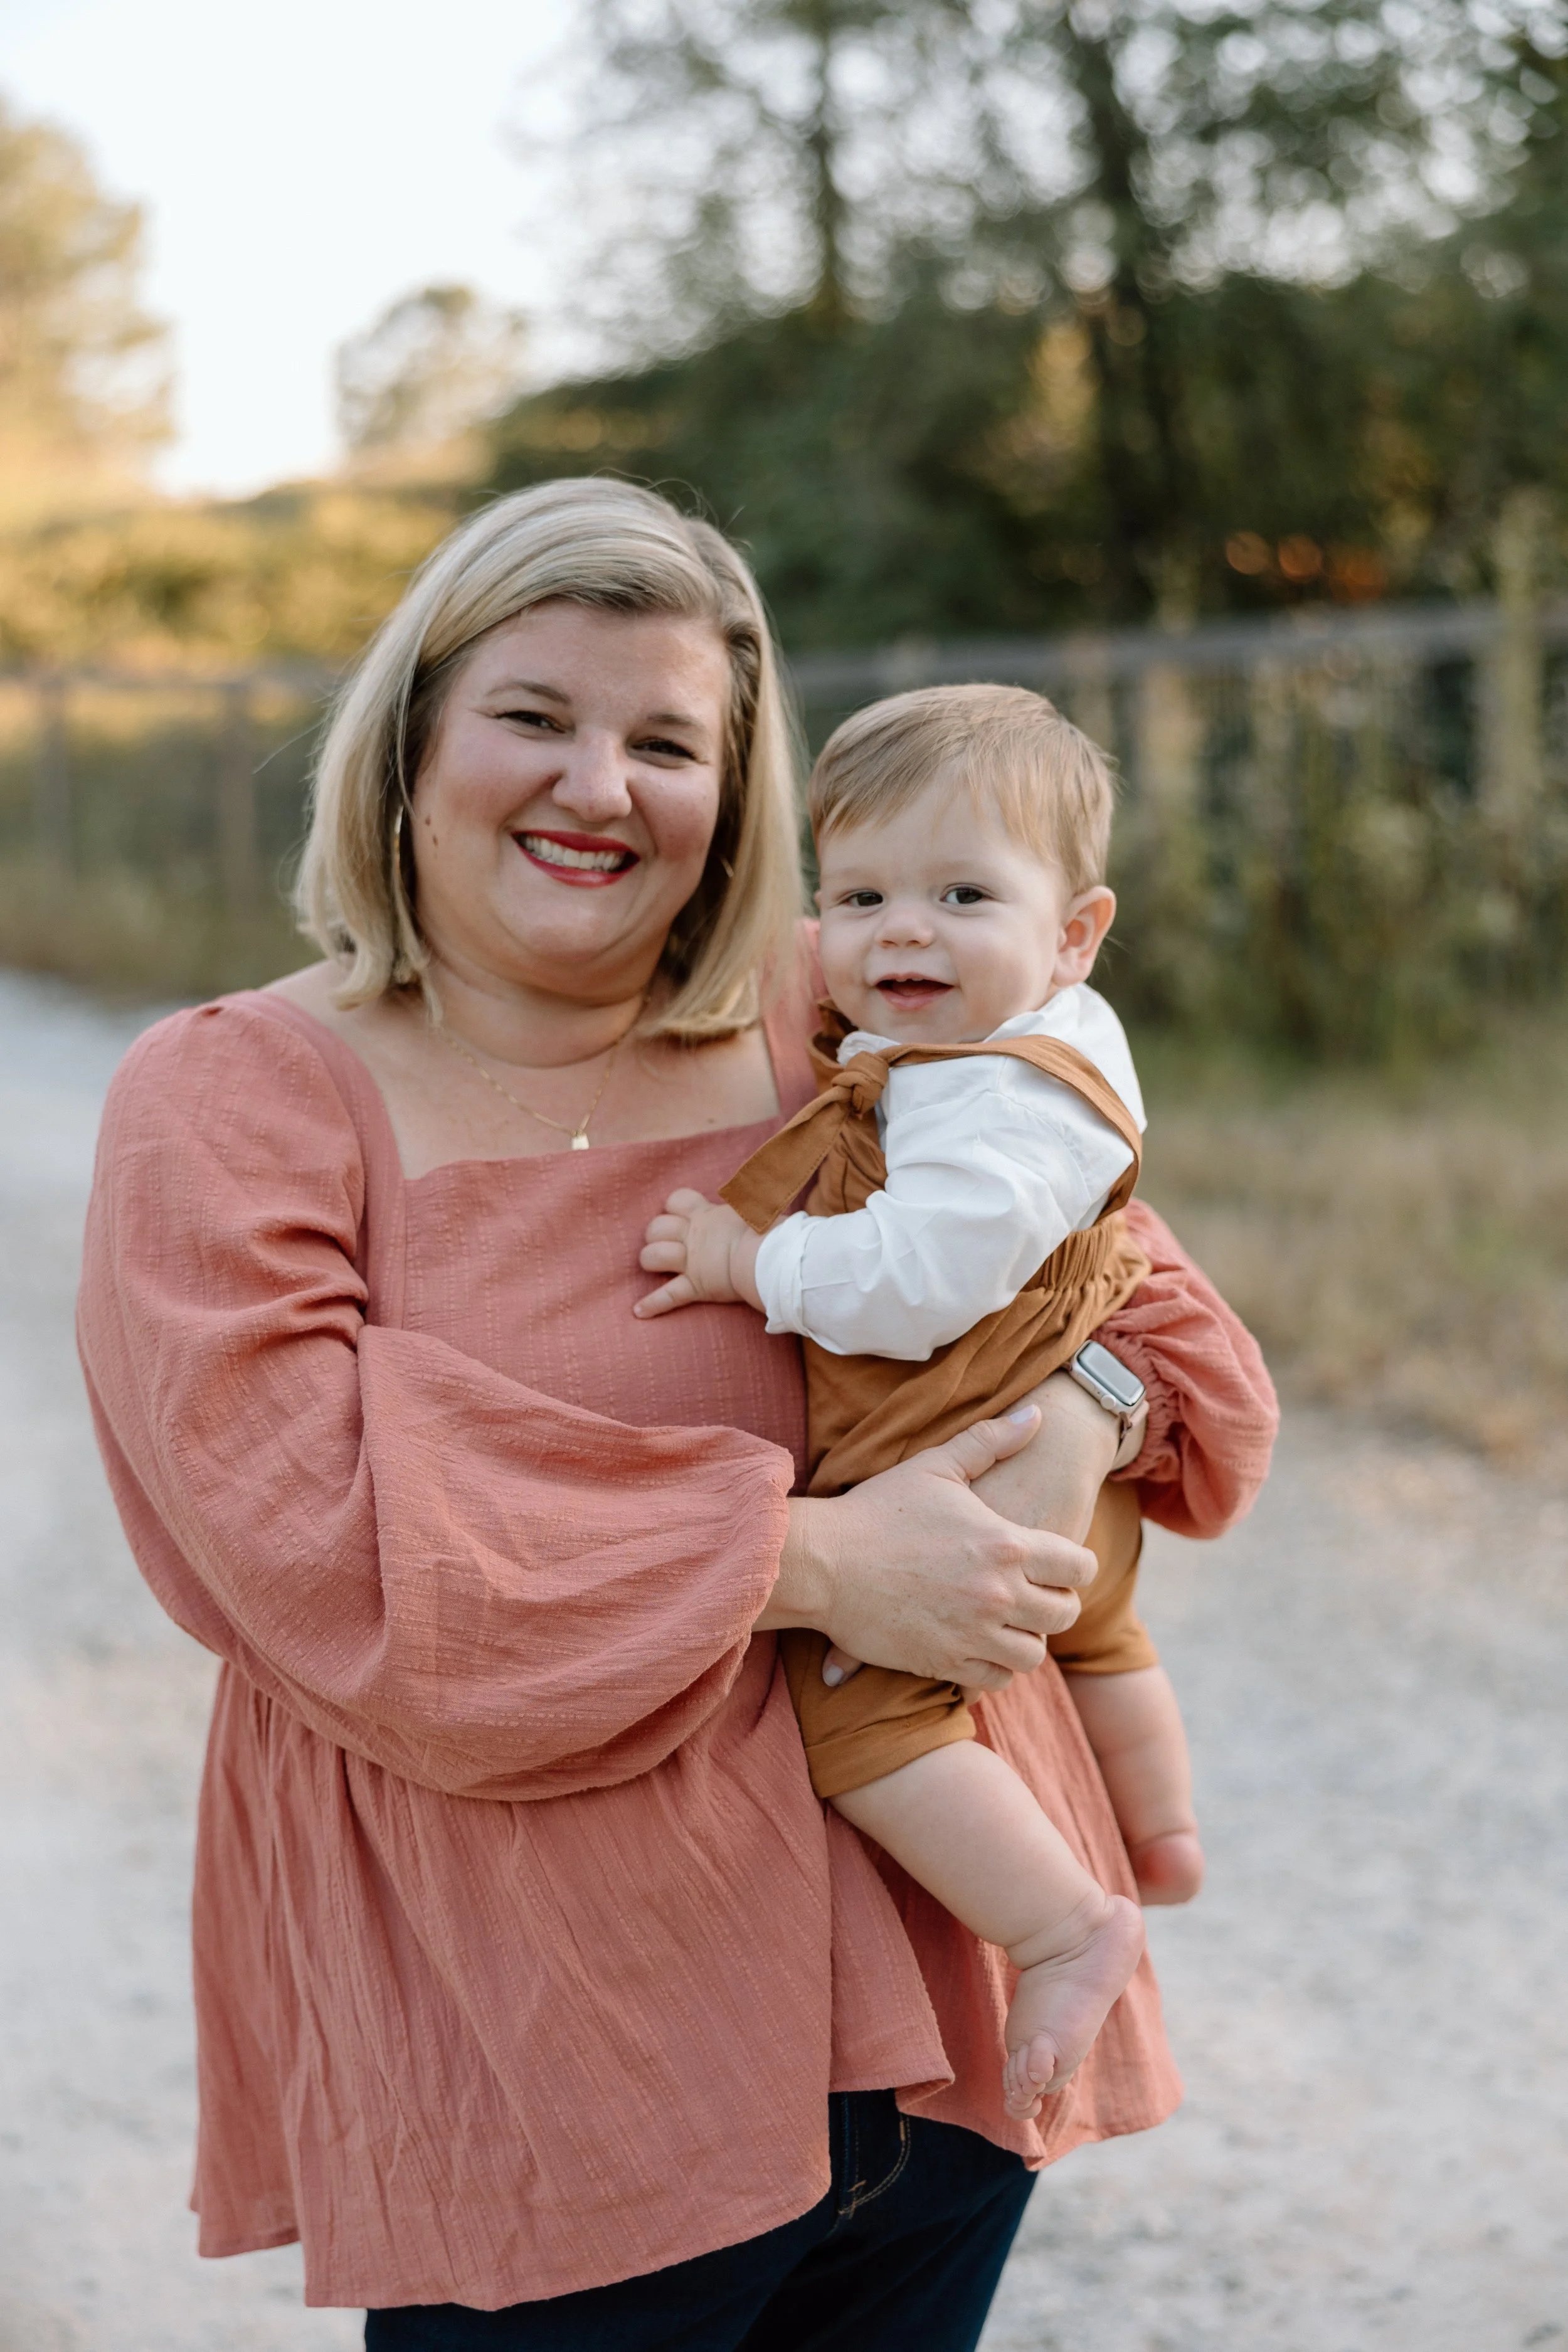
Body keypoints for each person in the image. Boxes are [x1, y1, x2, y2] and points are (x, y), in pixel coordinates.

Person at [77, 478, 1278, 2349]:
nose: (599, 786)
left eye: (667, 741)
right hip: (556, 2065)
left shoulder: (842, 1012)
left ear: (736, 794)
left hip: (946, 2022)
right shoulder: (238, 1097)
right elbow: (316, 1554)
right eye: (535, 717)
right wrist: (815, 1557)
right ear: (408, 744)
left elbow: (1163, 1321)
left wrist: (1077, 1413)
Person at [637, 679, 1216, 2124]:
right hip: (1059, 1483)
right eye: (861, 892)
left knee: (864, 1721)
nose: (902, 927)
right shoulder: (1026, 1050)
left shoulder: (995, 1096)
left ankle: (1063, 1922)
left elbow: (911, 1286)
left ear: (1072, 933)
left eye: (961, 892)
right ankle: (1161, 1830)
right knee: (1098, 1632)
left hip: (962, 1459)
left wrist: (746, 1259)